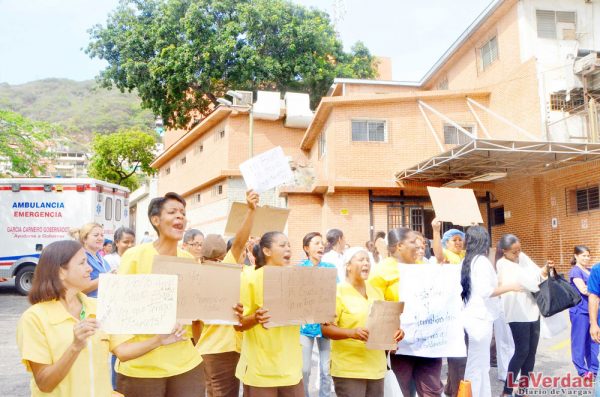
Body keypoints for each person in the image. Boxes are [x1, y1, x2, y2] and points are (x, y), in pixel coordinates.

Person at [16, 240, 189, 397]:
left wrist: (159, 340)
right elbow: (45, 383)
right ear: (61, 271)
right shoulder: (34, 318)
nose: (90, 268)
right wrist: (75, 347)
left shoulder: (97, 307)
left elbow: (122, 351)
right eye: (82, 263)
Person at [116, 192, 218, 397]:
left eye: (183, 212)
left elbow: (193, 309)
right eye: (172, 212)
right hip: (142, 365)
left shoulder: (188, 259)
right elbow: (119, 308)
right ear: (156, 220)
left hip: (185, 362)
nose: (180, 216)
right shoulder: (135, 256)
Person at [197, 190, 259, 397]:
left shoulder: (196, 276)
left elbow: (195, 323)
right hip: (224, 350)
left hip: (206, 349)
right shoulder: (224, 271)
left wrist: (199, 345)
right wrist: (250, 211)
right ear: (222, 257)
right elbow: (240, 242)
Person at [370, 227, 444, 397]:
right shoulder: (381, 271)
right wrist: (387, 339)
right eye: (412, 242)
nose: (418, 245)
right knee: (401, 390)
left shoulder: (424, 268)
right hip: (400, 346)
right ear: (399, 246)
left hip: (429, 342)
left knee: (432, 390)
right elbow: (375, 308)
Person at [322, 247, 404, 397]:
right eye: (361, 259)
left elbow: (384, 322)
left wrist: (395, 333)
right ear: (348, 266)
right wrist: (352, 333)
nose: (366, 263)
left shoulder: (376, 291)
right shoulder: (337, 292)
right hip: (349, 369)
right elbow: (326, 329)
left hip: (376, 367)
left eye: (368, 260)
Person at [235, 231, 303, 396]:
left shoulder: (298, 279)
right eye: (282, 245)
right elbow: (238, 324)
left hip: (291, 367)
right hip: (261, 368)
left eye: (289, 245)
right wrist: (256, 318)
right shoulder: (250, 278)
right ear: (266, 251)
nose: (288, 249)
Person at [461, 226, 522, 397]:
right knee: (477, 364)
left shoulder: (469, 260)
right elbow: (486, 291)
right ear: (484, 242)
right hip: (480, 319)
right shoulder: (480, 262)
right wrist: (510, 286)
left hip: (473, 317)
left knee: (479, 363)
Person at [495, 233, 551, 396]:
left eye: (519, 250)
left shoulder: (523, 257)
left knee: (531, 352)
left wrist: (546, 268)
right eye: (514, 251)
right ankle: (507, 391)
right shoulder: (502, 264)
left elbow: (538, 275)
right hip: (517, 312)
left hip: (533, 310)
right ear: (504, 251)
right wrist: (538, 276)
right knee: (522, 351)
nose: (518, 254)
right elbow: (531, 282)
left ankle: (523, 390)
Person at [299, 232, 336, 397]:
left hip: (325, 324)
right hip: (304, 326)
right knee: (305, 369)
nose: (321, 246)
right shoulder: (299, 269)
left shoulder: (330, 269)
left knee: (326, 369)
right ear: (306, 248)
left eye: (322, 243)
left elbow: (337, 294)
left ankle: (325, 395)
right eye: (316, 243)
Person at [431, 219, 465, 397]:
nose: (458, 242)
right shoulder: (444, 254)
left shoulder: (464, 255)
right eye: (454, 240)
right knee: (456, 351)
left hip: (463, 307)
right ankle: (453, 389)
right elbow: (437, 254)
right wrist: (436, 231)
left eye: (460, 239)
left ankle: (452, 387)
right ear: (446, 242)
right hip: (449, 309)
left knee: (459, 353)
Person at [103, 226, 136, 388]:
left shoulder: (137, 258)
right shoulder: (109, 261)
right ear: (116, 242)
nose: (129, 245)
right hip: (116, 312)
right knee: (118, 350)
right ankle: (116, 388)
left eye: (132, 242)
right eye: (125, 242)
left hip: (133, 312)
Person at [569, 245, 598, 378]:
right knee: (579, 342)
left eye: (588, 255)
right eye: (583, 255)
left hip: (594, 311)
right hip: (580, 311)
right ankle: (582, 371)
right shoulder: (575, 271)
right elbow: (584, 290)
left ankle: (594, 369)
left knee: (593, 341)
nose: (586, 258)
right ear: (576, 256)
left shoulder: (591, 270)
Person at [72, 223, 111, 298]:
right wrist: (105, 279)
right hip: (90, 305)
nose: (100, 238)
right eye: (96, 235)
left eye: (102, 235)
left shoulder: (102, 259)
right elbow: (78, 289)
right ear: (84, 239)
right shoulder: (81, 258)